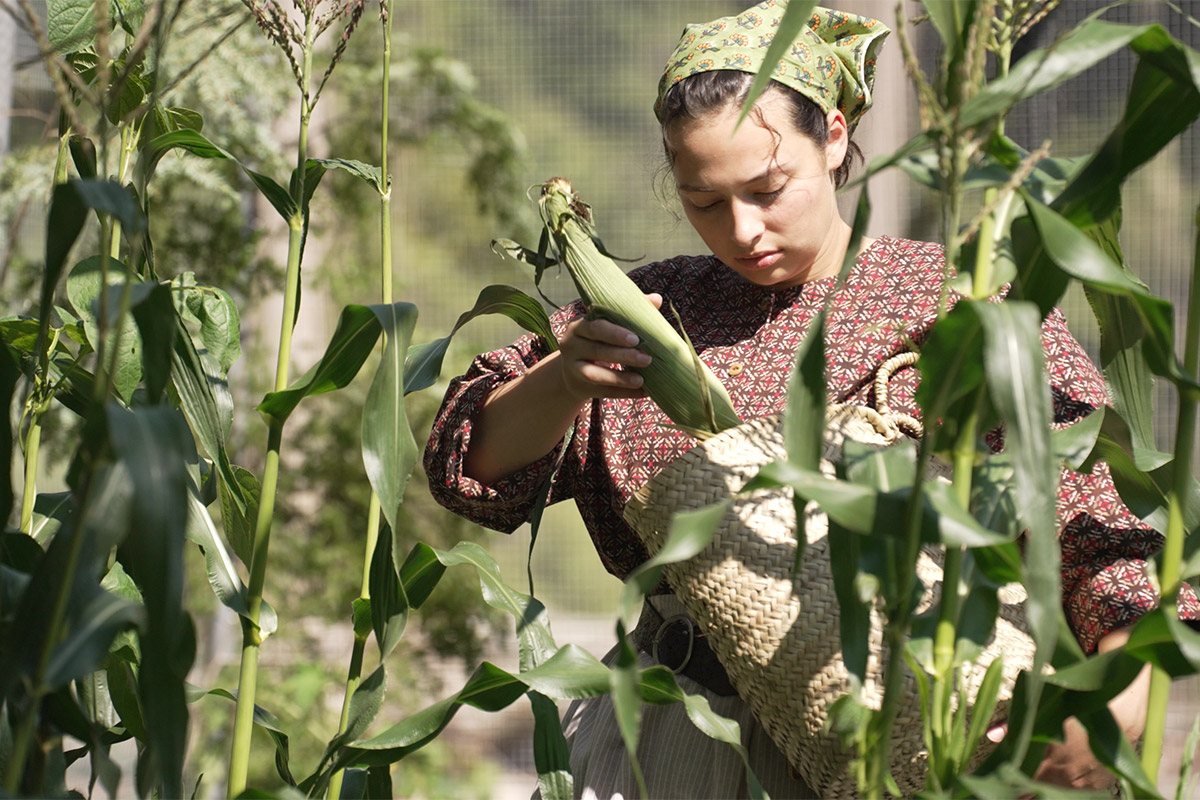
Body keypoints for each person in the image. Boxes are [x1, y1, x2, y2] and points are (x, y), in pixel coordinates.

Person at [425, 1, 1199, 796]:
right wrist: (563, 379)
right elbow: (469, 465)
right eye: (704, 201)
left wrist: (1114, 701)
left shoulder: (958, 302)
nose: (743, 230)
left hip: (927, 739)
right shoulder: (644, 318)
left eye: (768, 188)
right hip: (682, 741)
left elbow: (1106, 528)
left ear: (832, 137)